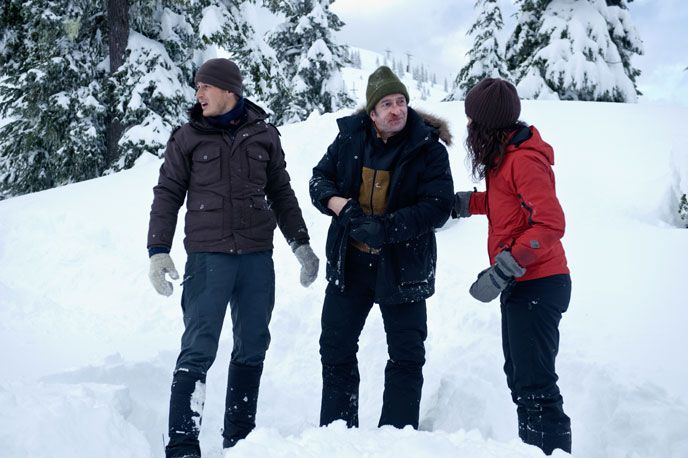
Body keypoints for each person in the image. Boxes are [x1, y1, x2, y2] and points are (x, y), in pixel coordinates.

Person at [146, 58, 319, 458]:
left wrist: (301, 244)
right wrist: (158, 251)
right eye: (196, 88)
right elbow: (167, 195)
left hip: (257, 258)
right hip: (209, 259)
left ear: (229, 90)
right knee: (199, 347)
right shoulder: (187, 138)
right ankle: (183, 445)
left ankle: (240, 442)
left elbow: (281, 192)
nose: (198, 94)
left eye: (205, 86)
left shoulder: (265, 136)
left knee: (253, 344)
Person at [309, 66, 454, 430]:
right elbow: (319, 180)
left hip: (404, 267)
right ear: (371, 112)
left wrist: (385, 229)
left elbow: (437, 206)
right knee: (336, 349)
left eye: (401, 101)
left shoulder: (428, 148)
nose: (397, 110)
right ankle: (338, 437)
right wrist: (342, 207)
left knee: (406, 355)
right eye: (387, 103)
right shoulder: (349, 139)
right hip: (351, 263)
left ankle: (397, 439)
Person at [453, 78, 572, 455]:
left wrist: (506, 267)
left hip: (539, 283)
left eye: (472, 121)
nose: (468, 128)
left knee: (536, 388)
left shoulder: (523, 159)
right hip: (523, 284)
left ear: (488, 124)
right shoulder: (505, 156)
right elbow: (509, 203)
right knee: (521, 380)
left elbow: (551, 223)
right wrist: (468, 203)